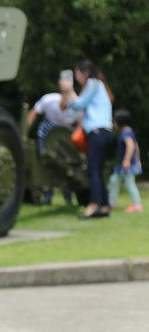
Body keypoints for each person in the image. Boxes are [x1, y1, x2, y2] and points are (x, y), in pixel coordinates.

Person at [60, 59, 115, 219]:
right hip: (104, 132)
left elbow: (79, 105)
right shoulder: (98, 85)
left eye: (77, 73)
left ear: (85, 73)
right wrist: (70, 94)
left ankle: (94, 205)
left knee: (93, 170)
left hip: (97, 132)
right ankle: (104, 206)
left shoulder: (92, 83)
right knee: (98, 169)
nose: (76, 77)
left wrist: (68, 91)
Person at [27, 87, 83, 204]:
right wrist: (24, 131)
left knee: (67, 165)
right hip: (45, 136)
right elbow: (34, 112)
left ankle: (68, 197)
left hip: (65, 140)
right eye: (65, 98)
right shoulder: (49, 100)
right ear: (61, 95)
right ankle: (47, 196)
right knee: (46, 163)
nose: (67, 102)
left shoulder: (77, 108)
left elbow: (81, 125)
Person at [109, 109, 143, 213]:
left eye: (114, 122)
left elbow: (131, 145)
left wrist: (127, 160)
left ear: (119, 122)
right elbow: (136, 145)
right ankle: (111, 202)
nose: (113, 124)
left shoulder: (126, 133)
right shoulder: (129, 131)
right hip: (124, 164)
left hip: (126, 164)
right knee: (114, 180)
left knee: (129, 183)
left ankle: (137, 205)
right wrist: (137, 159)